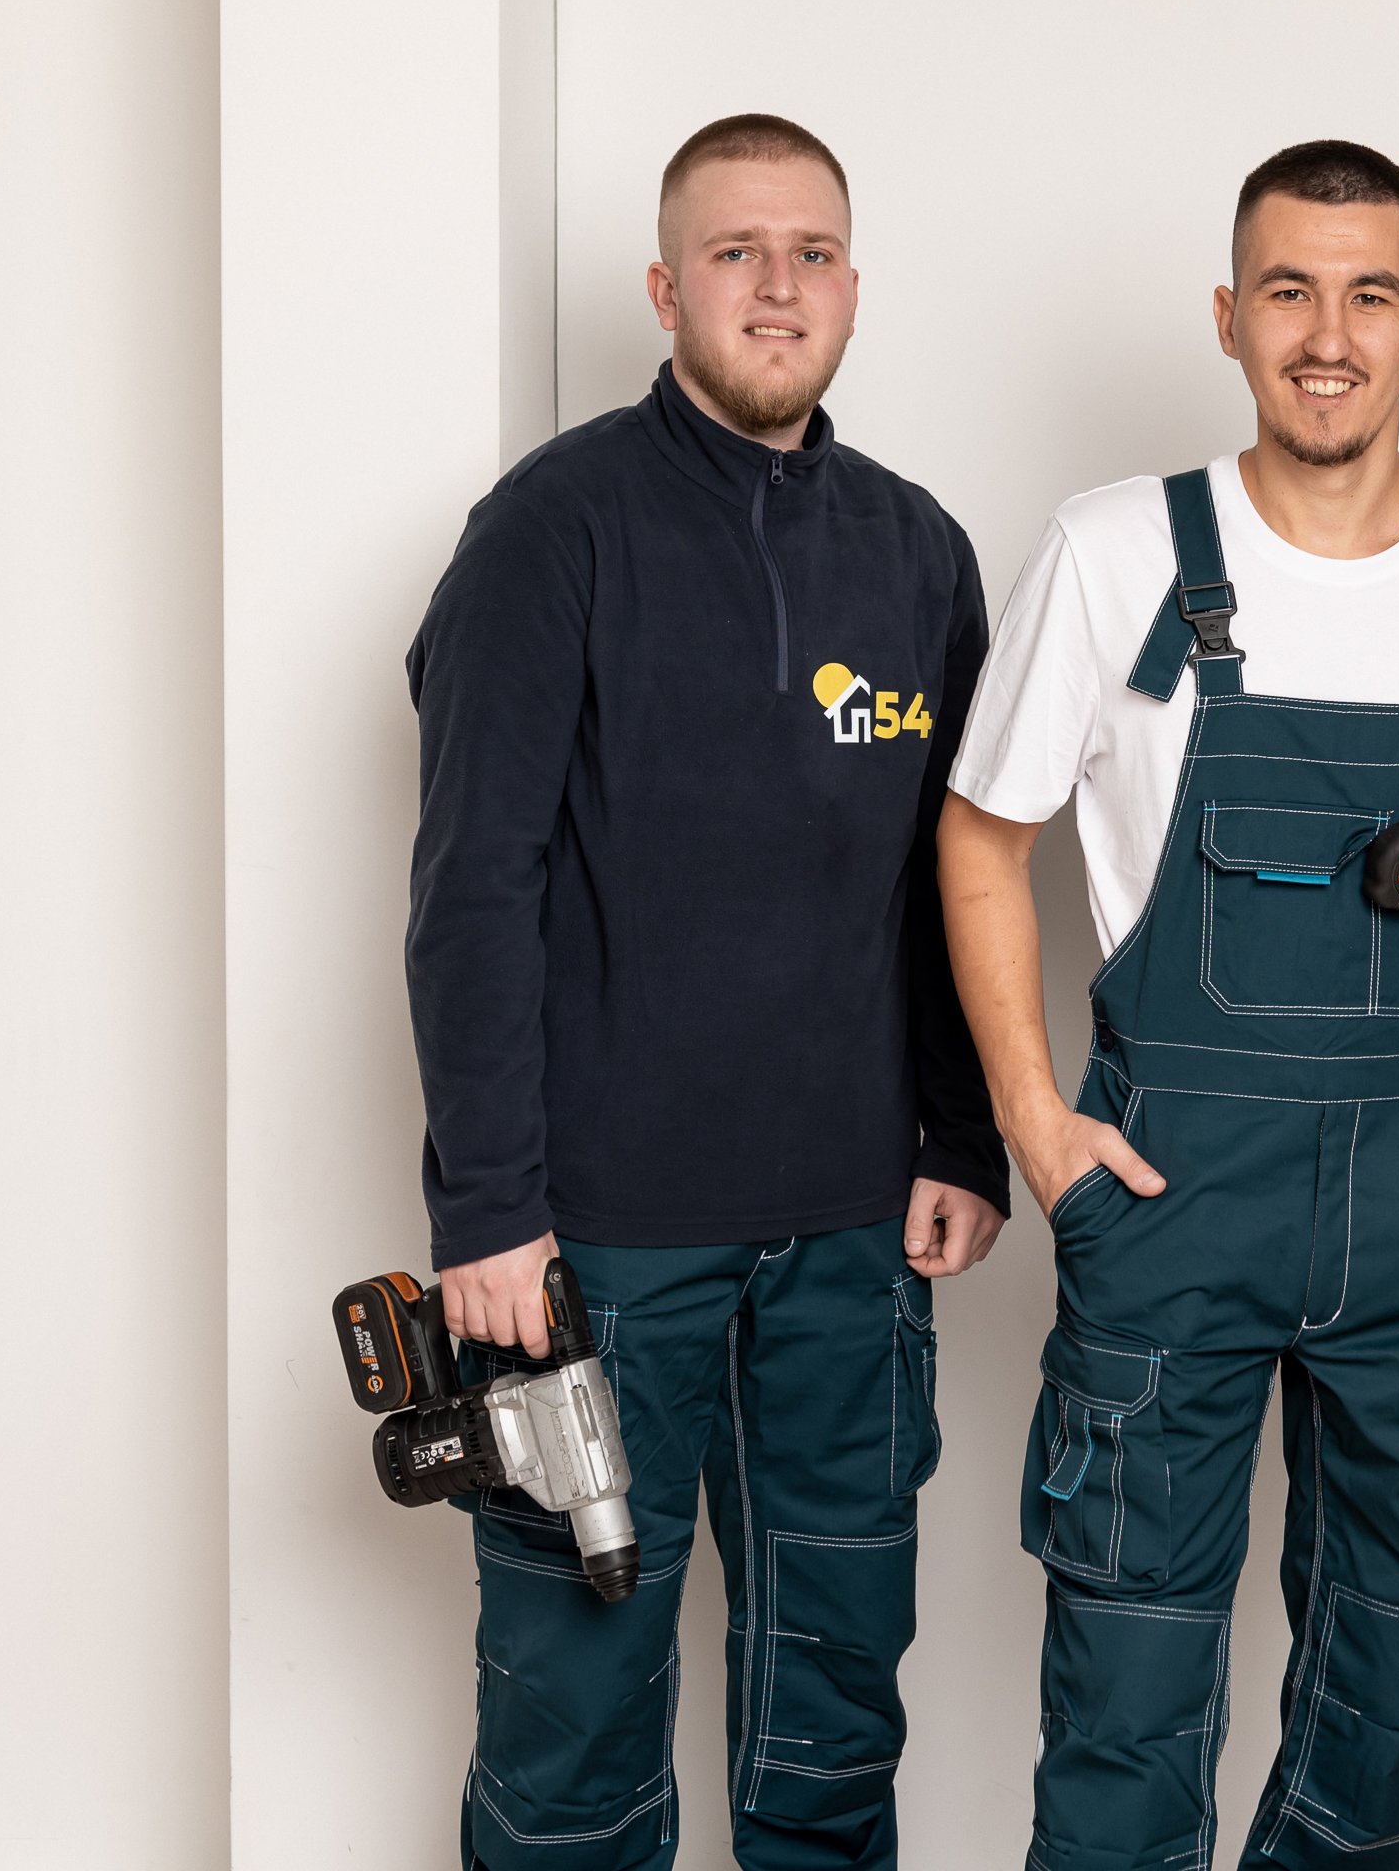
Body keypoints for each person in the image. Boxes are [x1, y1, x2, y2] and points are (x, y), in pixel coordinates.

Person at [938, 140, 1399, 1868]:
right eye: (1290, 292)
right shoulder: (1113, 553)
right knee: (1125, 1710)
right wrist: (1035, 1125)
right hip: (1171, 1197)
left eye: (1371, 295)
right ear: (1229, 317)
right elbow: (982, 833)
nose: (1329, 334)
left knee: (1383, 1712)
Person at [403, 113, 1004, 1871]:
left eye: (811, 253)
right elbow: (471, 886)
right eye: (736, 252)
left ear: (855, 289)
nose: (777, 286)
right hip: (599, 1255)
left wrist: (958, 1137)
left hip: (851, 1249)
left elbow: (950, 882)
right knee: (573, 1728)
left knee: (835, 1718)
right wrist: (489, 1208)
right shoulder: (553, 528)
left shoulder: (918, 552)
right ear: (667, 291)